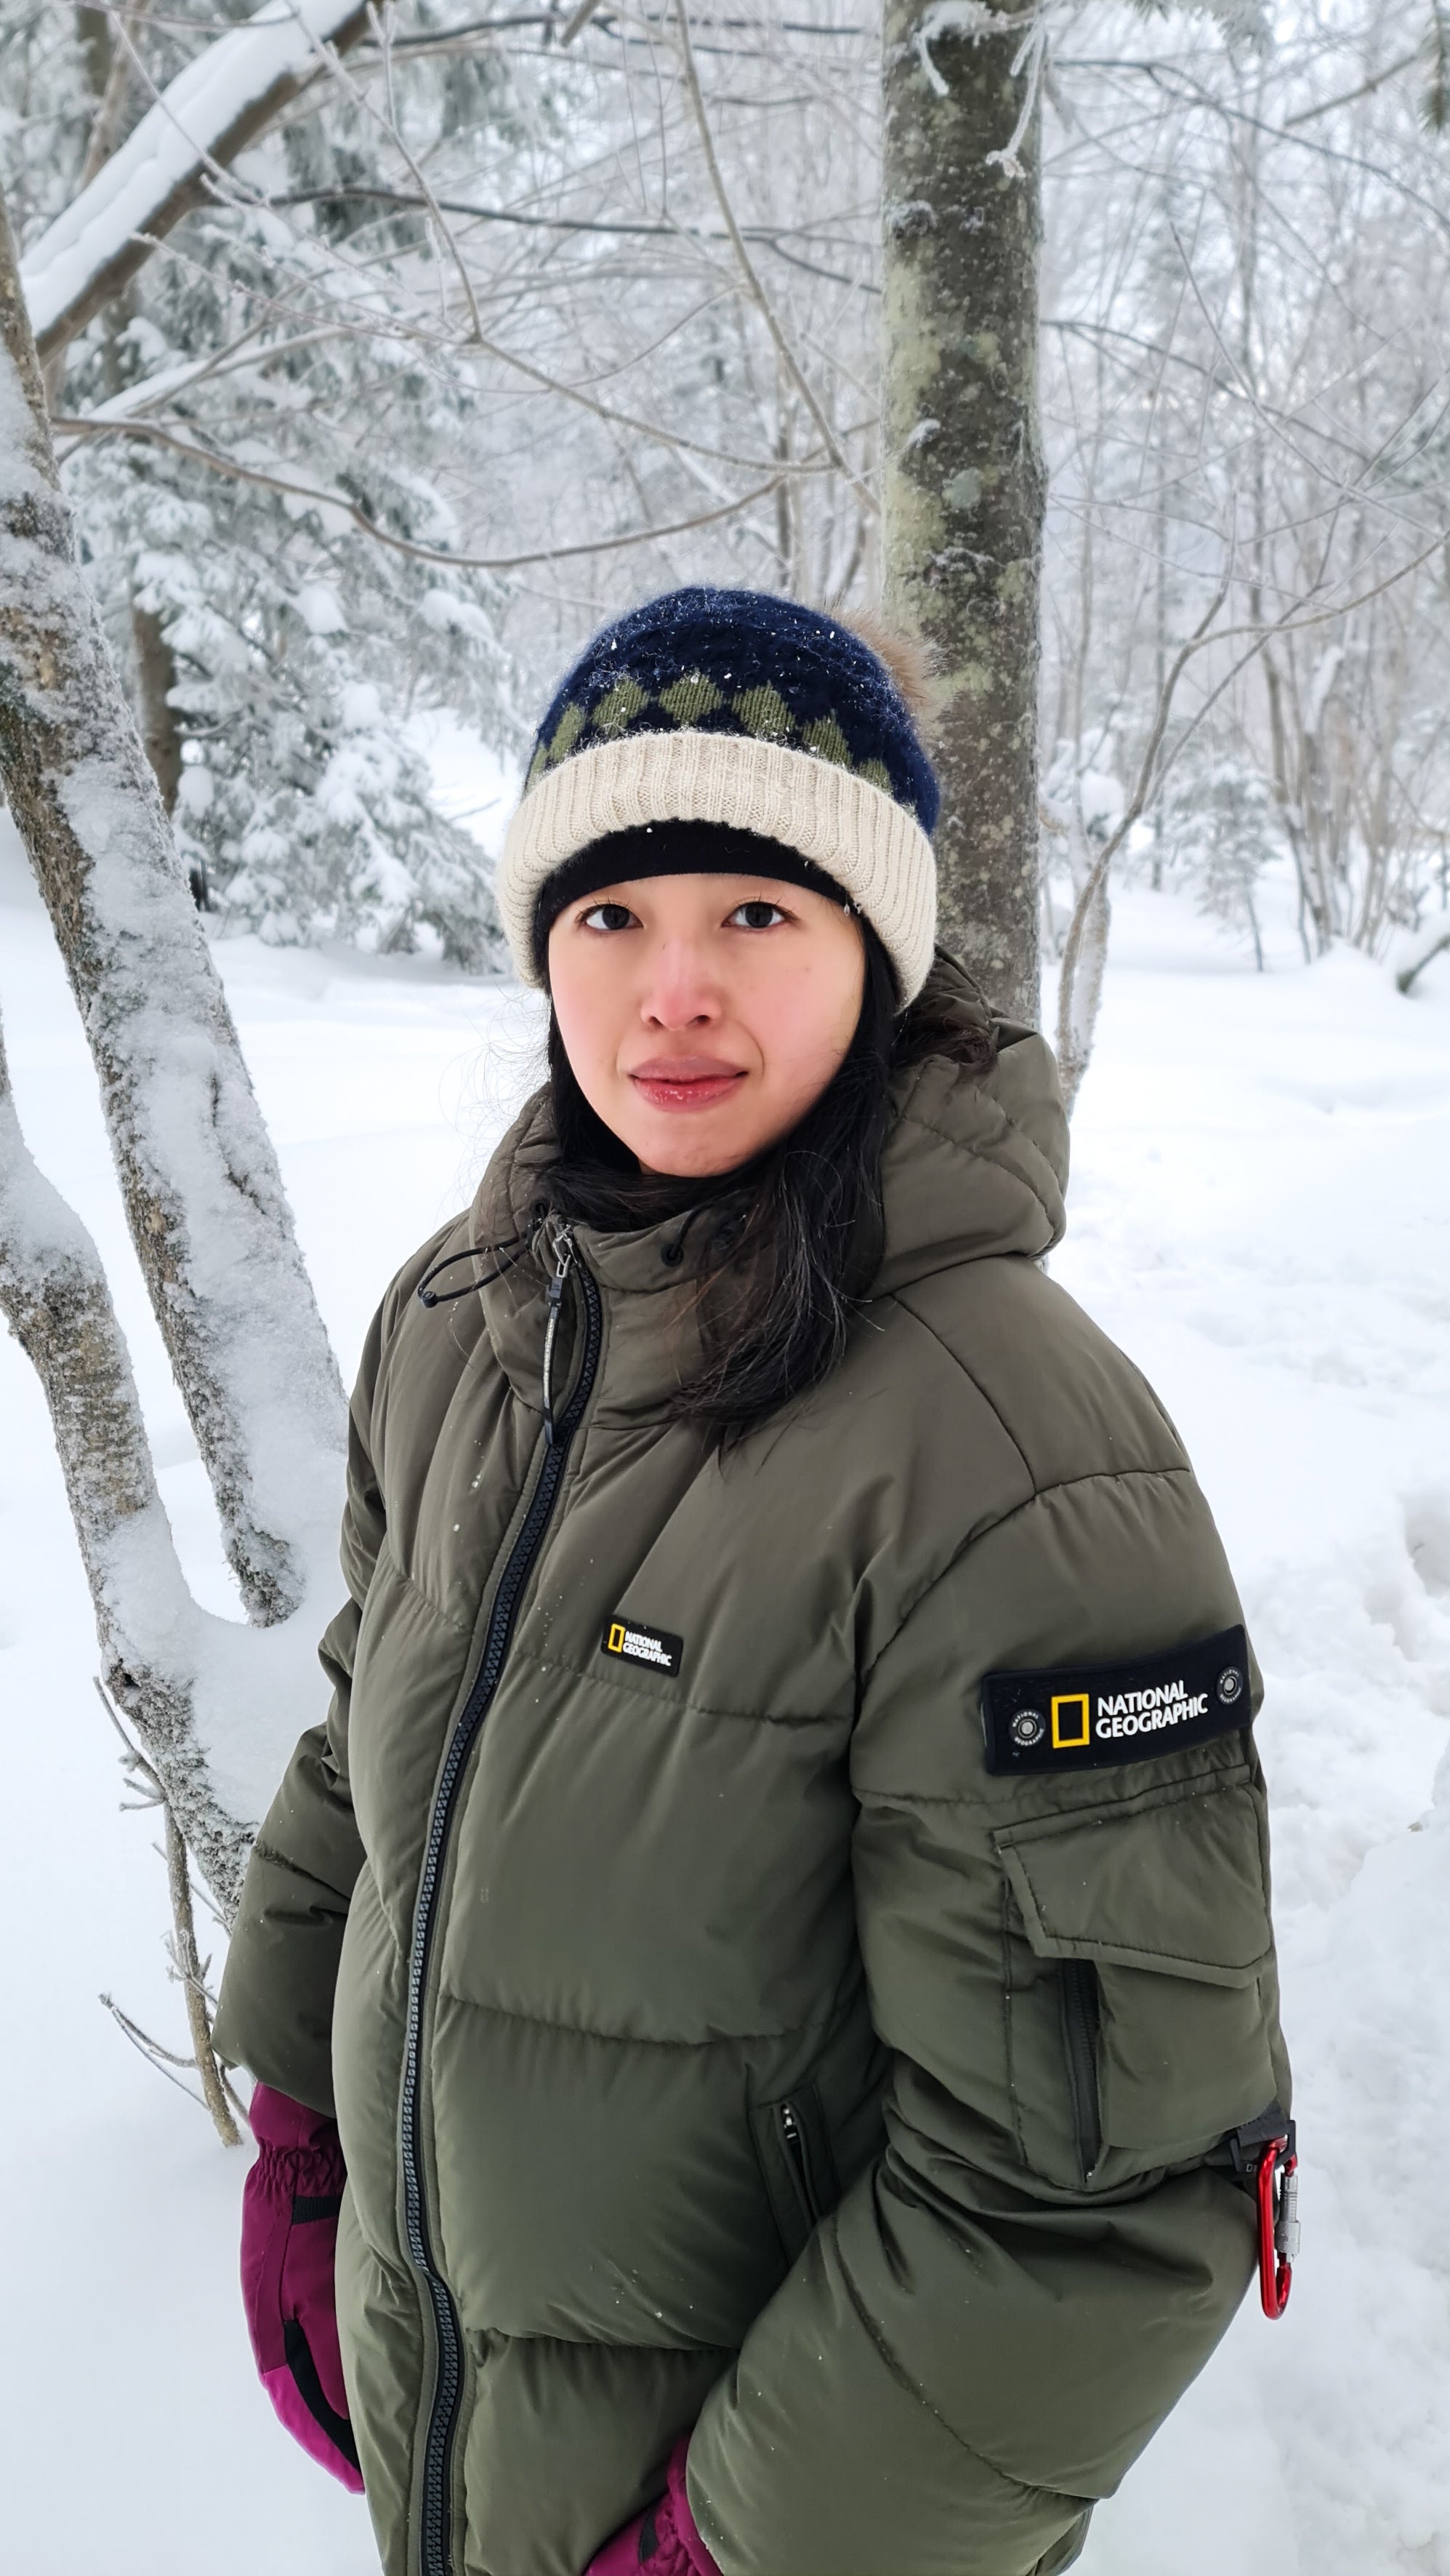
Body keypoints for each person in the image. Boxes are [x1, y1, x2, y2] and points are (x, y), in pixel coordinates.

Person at [214, 587, 1292, 2576]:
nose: (672, 993)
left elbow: (1103, 2183)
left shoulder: (1013, 1455)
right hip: (471, 2448)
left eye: (757, 915)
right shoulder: (459, 1319)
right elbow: (373, 1724)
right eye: (610, 916)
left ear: (874, 954)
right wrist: (299, 2126)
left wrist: (738, 2551)